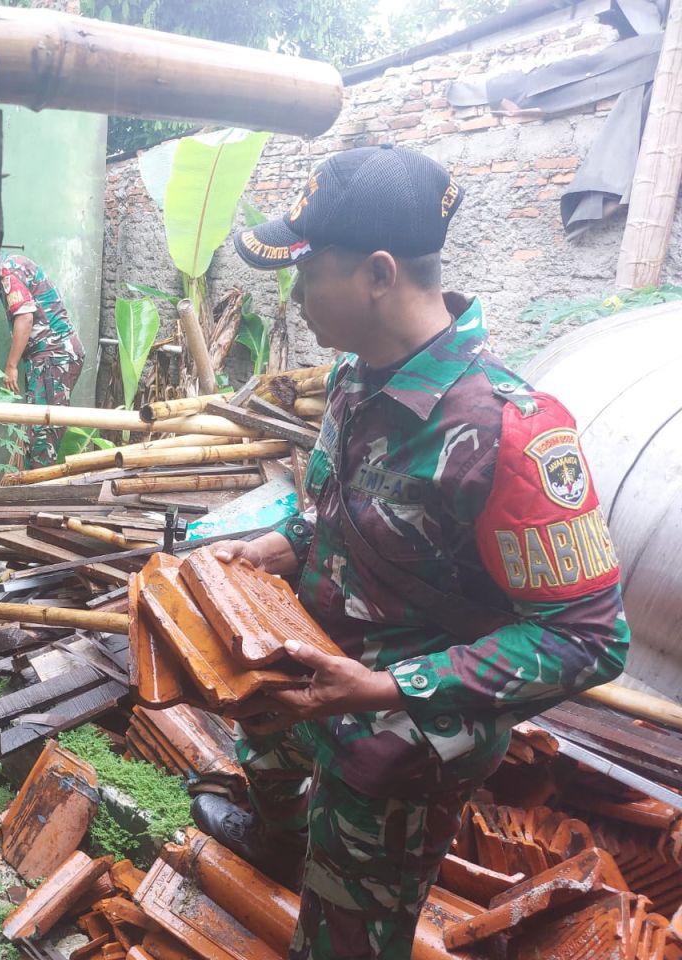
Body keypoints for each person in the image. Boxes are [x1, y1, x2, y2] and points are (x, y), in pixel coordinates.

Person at [191, 145, 630, 960]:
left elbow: (590, 638)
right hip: (317, 675)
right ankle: (281, 842)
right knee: (261, 740)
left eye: (307, 271)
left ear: (379, 274)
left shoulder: (514, 430)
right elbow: (338, 516)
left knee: (343, 941)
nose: (292, 295)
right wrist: (280, 545)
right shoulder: (357, 383)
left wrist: (388, 685)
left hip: (403, 740)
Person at [0, 254, 85, 468]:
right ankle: (32, 491)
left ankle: (36, 496)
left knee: (41, 437)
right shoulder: (14, 264)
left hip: (53, 357)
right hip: (51, 357)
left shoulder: (7, 271)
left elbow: (25, 317)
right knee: (39, 430)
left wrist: (11, 366)